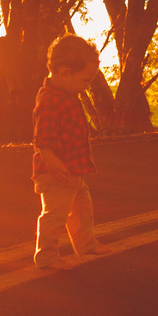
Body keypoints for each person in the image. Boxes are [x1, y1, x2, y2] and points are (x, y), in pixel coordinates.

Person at [32, 34, 115, 270]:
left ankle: (86, 244)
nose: (87, 86)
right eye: (85, 80)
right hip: (56, 170)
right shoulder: (49, 99)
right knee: (55, 215)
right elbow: (43, 137)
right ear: (65, 73)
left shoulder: (66, 95)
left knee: (82, 209)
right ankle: (46, 255)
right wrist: (50, 161)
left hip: (73, 169)